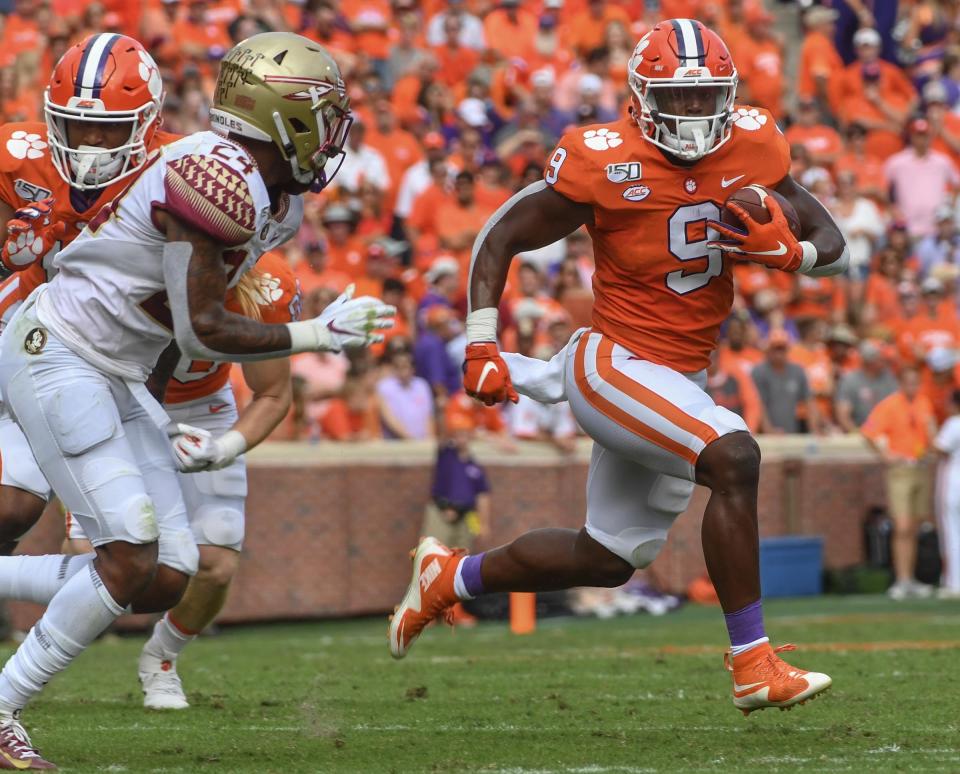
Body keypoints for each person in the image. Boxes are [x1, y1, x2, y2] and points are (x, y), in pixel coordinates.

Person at [390, 19, 847, 715]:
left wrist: (792, 257)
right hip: (617, 363)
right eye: (678, 98)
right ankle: (752, 663)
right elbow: (501, 235)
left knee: (608, 556)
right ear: (640, 96)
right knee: (734, 457)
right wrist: (481, 341)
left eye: (706, 98)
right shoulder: (604, 158)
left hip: (677, 377)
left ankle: (450, 575)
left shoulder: (753, 142)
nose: (695, 114)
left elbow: (830, 239)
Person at [0, 32, 392, 767]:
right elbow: (201, 326)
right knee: (125, 557)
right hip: (59, 353)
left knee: (169, 572)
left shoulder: (273, 201)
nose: (334, 133)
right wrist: (316, 332)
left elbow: (180, 331)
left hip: (110, 368)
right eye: (323, 115)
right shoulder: (218, 180)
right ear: (286, 119)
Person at [62, 251, 300, 711]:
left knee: (217, 560)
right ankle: (35, 650)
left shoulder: (268, 282)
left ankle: (162, 658)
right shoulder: (133, 255)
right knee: (92, 559)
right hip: (114, 396)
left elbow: (273, 392)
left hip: (203, 407)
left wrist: (226, 447)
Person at [862, 367, 937, 601]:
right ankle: (902, 578)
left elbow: (930, 434)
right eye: (909, 382)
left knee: (915, 527)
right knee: (902, 525)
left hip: (921, 468)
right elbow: (868, 432)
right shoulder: (890, 405)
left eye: (916, 383)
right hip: (901, 470)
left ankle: (911, 578)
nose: (913, 387)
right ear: (901, 383)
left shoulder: (924, 403)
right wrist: (886, 455)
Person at [835, 339, 898, 431]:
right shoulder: (850, 380)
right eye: (881, 358)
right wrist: (857, 435)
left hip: (887, 434)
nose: (886, 361)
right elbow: (843, 415)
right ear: (869, 359)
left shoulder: (889, 378)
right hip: (860, 434)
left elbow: (899, 407)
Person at [934, 388, 960, 599]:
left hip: (954, 485)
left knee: (952, 532)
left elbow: (939, 449)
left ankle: (954, 582)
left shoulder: (953, 424)